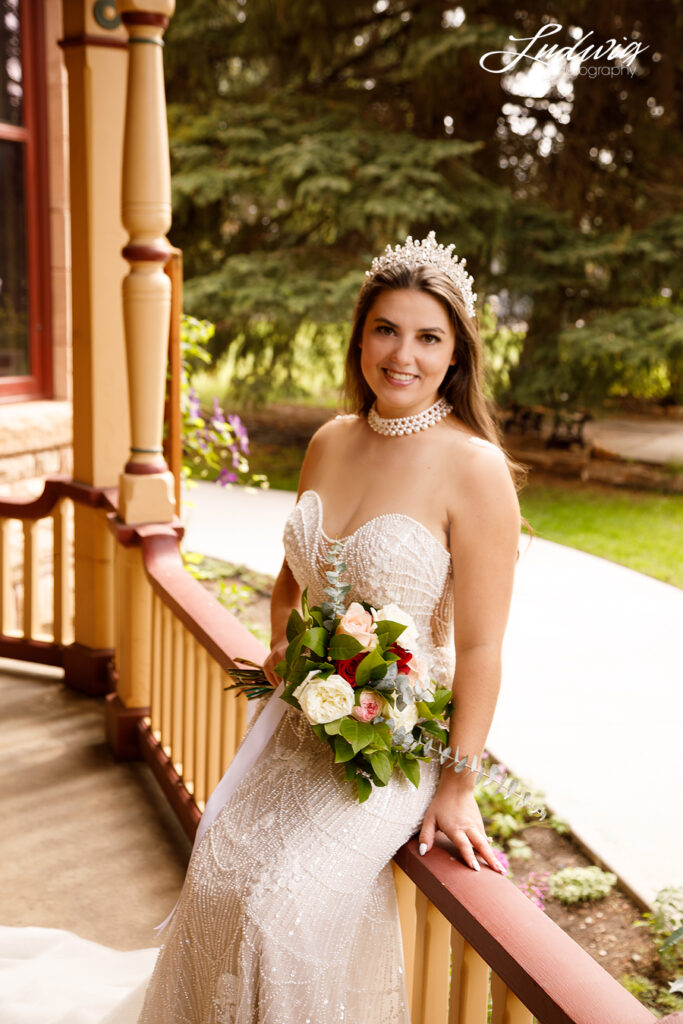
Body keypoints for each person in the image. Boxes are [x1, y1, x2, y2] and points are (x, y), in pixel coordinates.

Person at [134, 231, 526, 1023]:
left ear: (456, 354)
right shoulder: (328, 440)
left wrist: (455, 785)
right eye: (386, 329)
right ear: (359, 337)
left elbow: (481, 647)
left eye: (427, 337)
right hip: (300, 722)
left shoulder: (474, 468)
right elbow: (291, 584)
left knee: (279, 913)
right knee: (216, 867)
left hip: (391, 747)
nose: (402, 355)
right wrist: (288, 649)